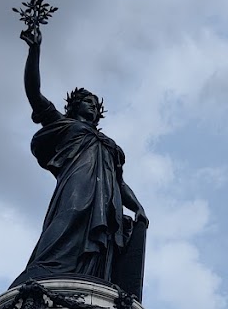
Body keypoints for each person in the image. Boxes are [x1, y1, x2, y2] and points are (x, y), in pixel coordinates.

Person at [11, 23, 148, 293]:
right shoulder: (64, 125)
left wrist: (137, 206)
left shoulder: (108, 145)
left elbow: (118, 181)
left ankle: (91, 282)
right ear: (74, 106)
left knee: (103, 240)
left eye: (96, 105)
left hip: (107, 197)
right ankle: (43, 270)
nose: (93, 107)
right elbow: (34, 94)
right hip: (77, 186)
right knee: (68, 219)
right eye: (88, 102)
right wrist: (34, 51)